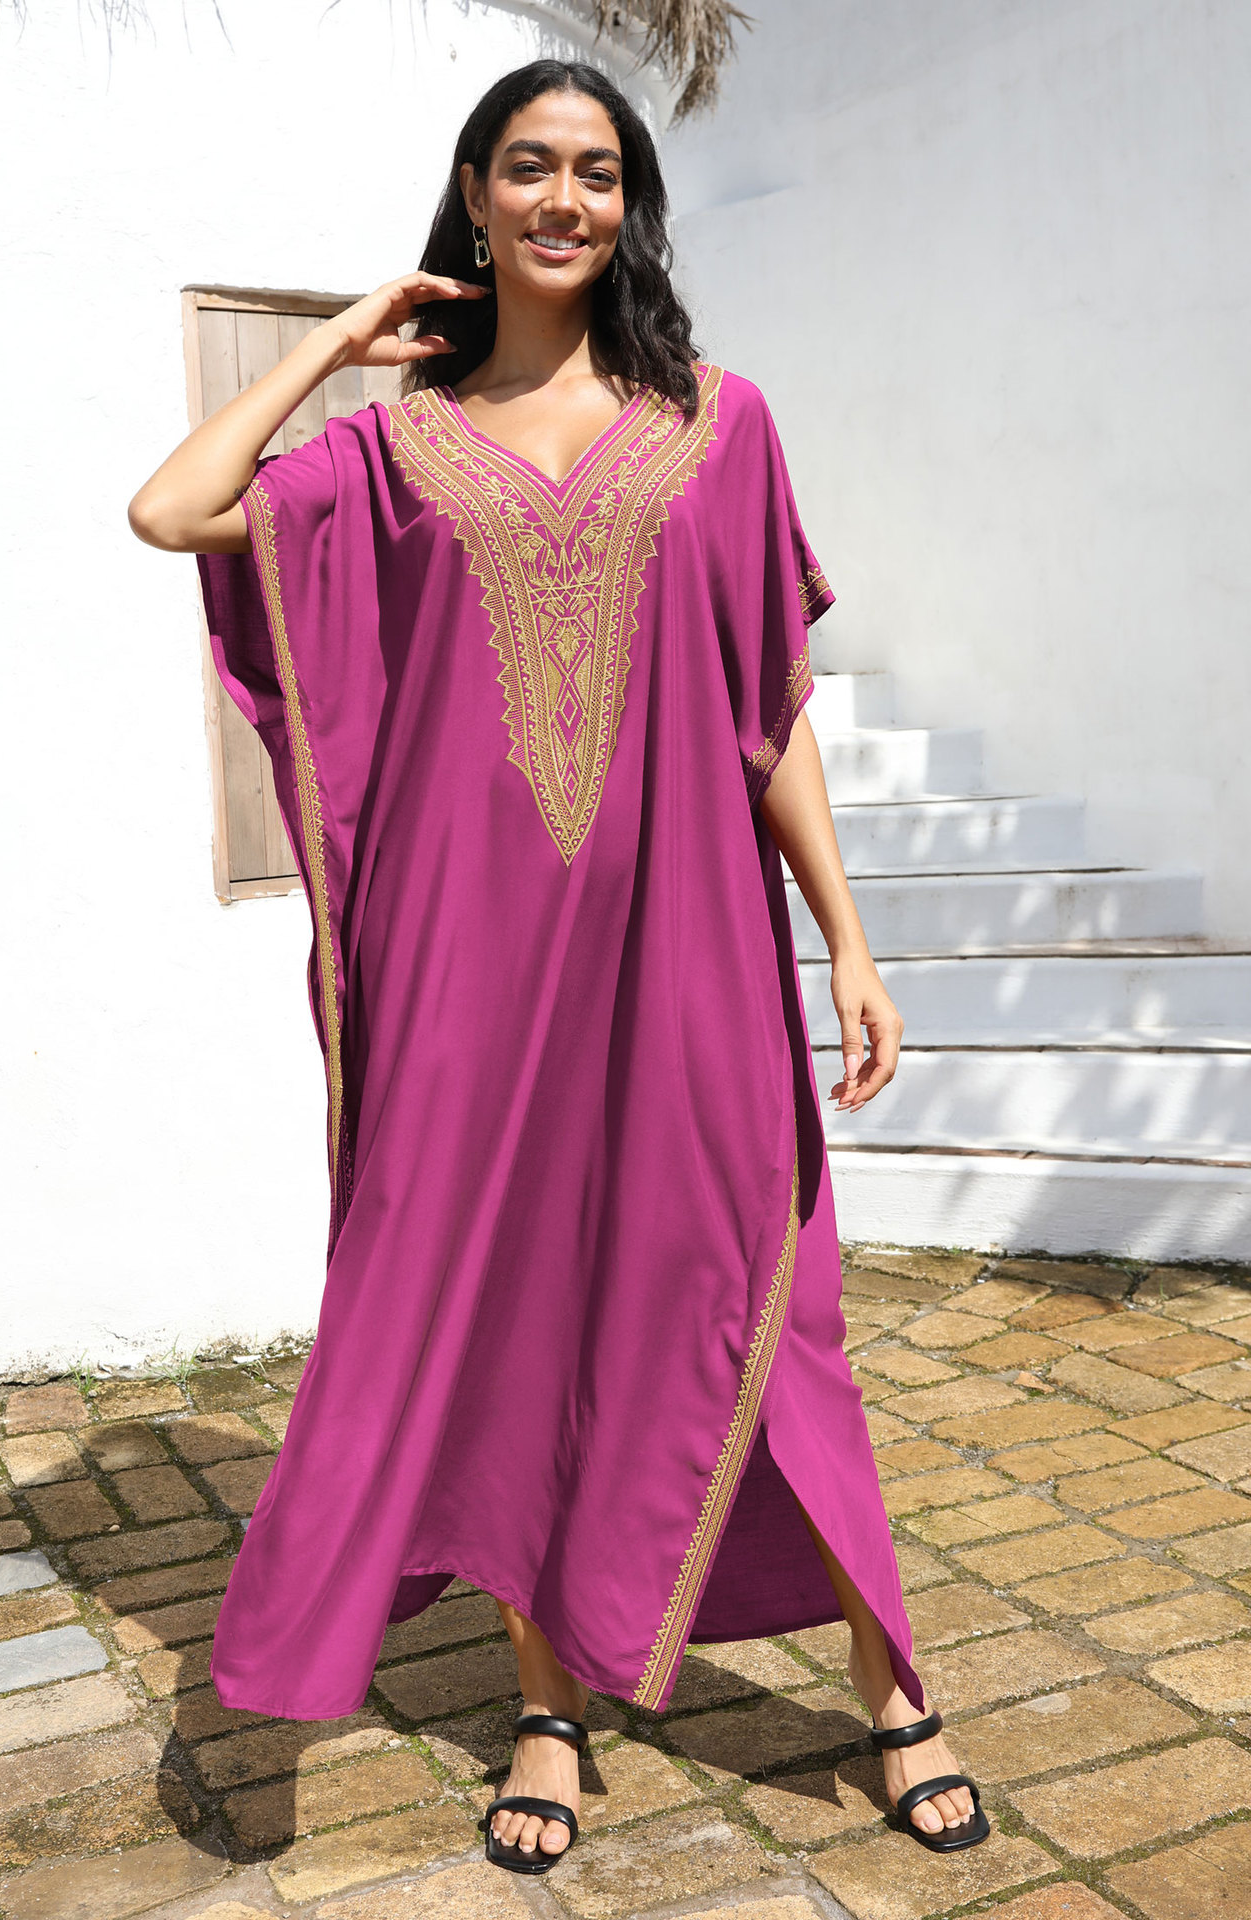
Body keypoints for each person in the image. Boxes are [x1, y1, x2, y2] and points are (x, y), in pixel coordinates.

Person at [128, 58, 989, 1877]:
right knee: (520, 1323)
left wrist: (848, 938)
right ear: (477, 189)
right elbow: (177, 511)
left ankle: (894, 1689)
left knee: (773, 1304)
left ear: (629, 204)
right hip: (472, 972)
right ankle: (547, 1709)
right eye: (530, 167)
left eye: (598, 172)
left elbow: (766, 709)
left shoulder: (718, 425)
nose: (564, 201)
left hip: (686, 949)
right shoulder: (393, 452)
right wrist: (341, 340)